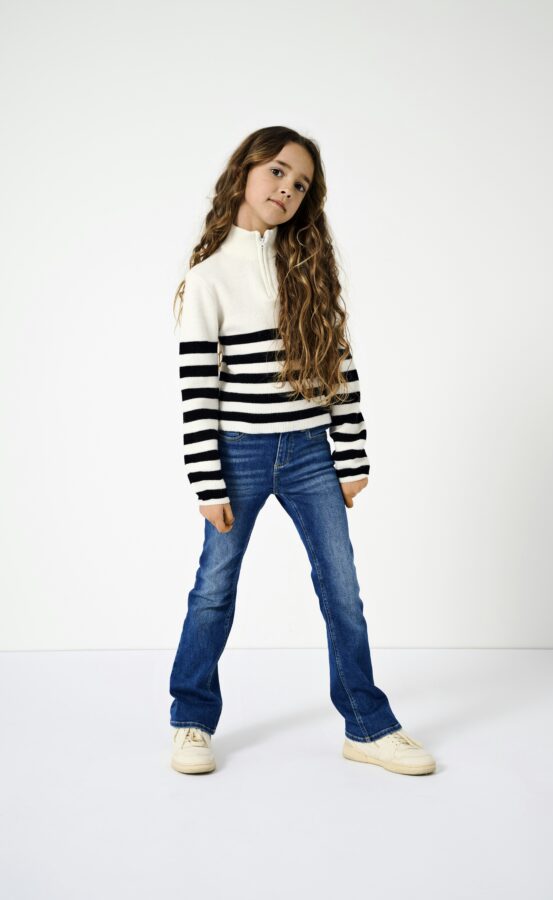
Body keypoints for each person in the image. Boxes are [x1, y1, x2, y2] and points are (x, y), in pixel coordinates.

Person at [168, 126, 436, 777]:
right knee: (214, 590)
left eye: (301, 183)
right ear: (246, 170)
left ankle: (367, 726)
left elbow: (340, 373)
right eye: (279, 171)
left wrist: (352, 457)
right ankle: (191, 719)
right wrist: (208, 483)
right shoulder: (208, 279)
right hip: (239, 455)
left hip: (312, 455)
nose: (287, 188)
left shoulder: (308, 270)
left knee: (342, 589)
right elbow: (198, 392)